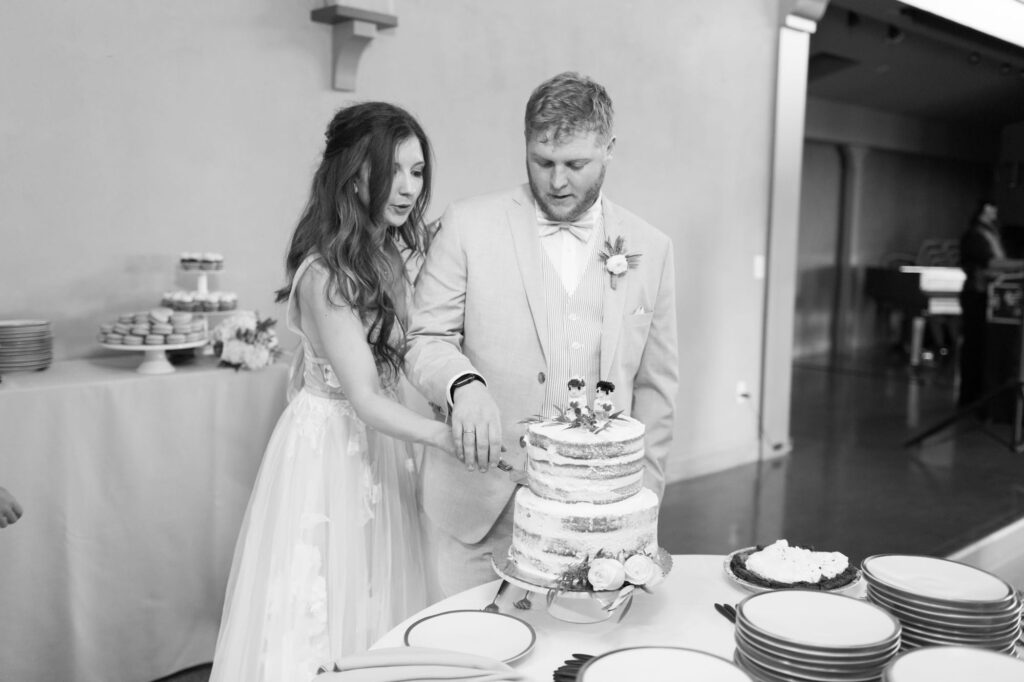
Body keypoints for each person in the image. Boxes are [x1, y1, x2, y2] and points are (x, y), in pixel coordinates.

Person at [405, 72, 679, 596]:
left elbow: (657, 388)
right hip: (478, 506)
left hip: (599, 519)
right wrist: (463, 384)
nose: (556, 182)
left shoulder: (653, 247)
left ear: (609, 150)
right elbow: (424, 339)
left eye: (576, 165)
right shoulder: (467, 225)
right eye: (542, 162)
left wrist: (639, 503)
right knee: (469, 662)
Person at [210, 102, 454, 682]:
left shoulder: (389, 253)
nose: (407, 188)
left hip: (383, 444)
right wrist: (452, 438)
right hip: (331, 451)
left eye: (417, 172)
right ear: (353, 173)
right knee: (323, 602)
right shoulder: (324, 274)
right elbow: (366, 398)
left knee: (380, 594)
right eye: (391, 170)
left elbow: (418, 344)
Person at [958, 199, 1006, 410]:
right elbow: (989, 262)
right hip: (976, 294)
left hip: (989, 294)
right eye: (989, 210)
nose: (993, 214)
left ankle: (982, 395)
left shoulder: (992, 234)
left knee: (985, 347)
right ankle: (969, 397)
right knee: (974, 346)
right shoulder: (974, 235)